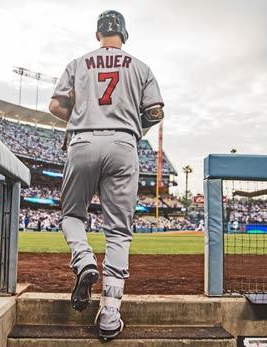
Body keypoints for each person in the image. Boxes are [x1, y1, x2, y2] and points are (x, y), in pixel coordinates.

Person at [49, 10, 164, 341]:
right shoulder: (140, 67)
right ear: (124, 34)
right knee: (118, 231)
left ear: (97, 34)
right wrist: (134, 128)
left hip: (82, 140)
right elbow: (155, 111)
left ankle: (84, 259)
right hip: (122, 144)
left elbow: (55, 106)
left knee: (72, 215)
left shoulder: (77, 63)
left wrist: (82, 117)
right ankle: (110, 313)